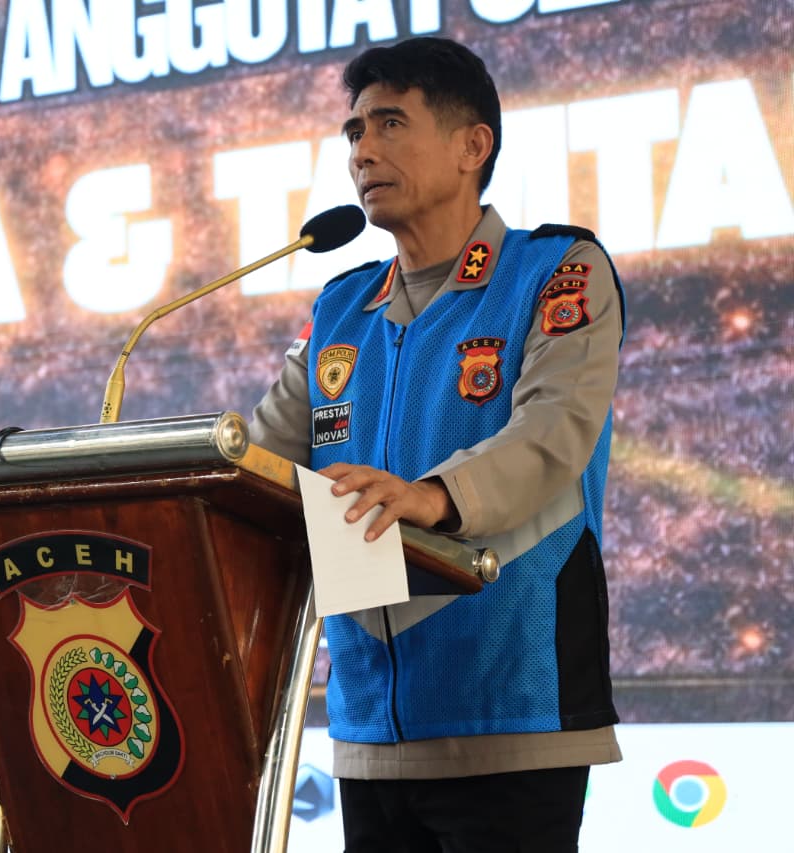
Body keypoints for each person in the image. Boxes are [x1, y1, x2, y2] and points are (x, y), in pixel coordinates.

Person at [250, 37, 624, 852]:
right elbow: (258, 462)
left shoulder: (556, 271)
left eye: (390, 124)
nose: (363, 150)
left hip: (515, 715)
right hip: (368, 727)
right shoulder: (341, 308)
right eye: (354, 132)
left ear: (471, 146)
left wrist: (432, 497)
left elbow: (553, 433)